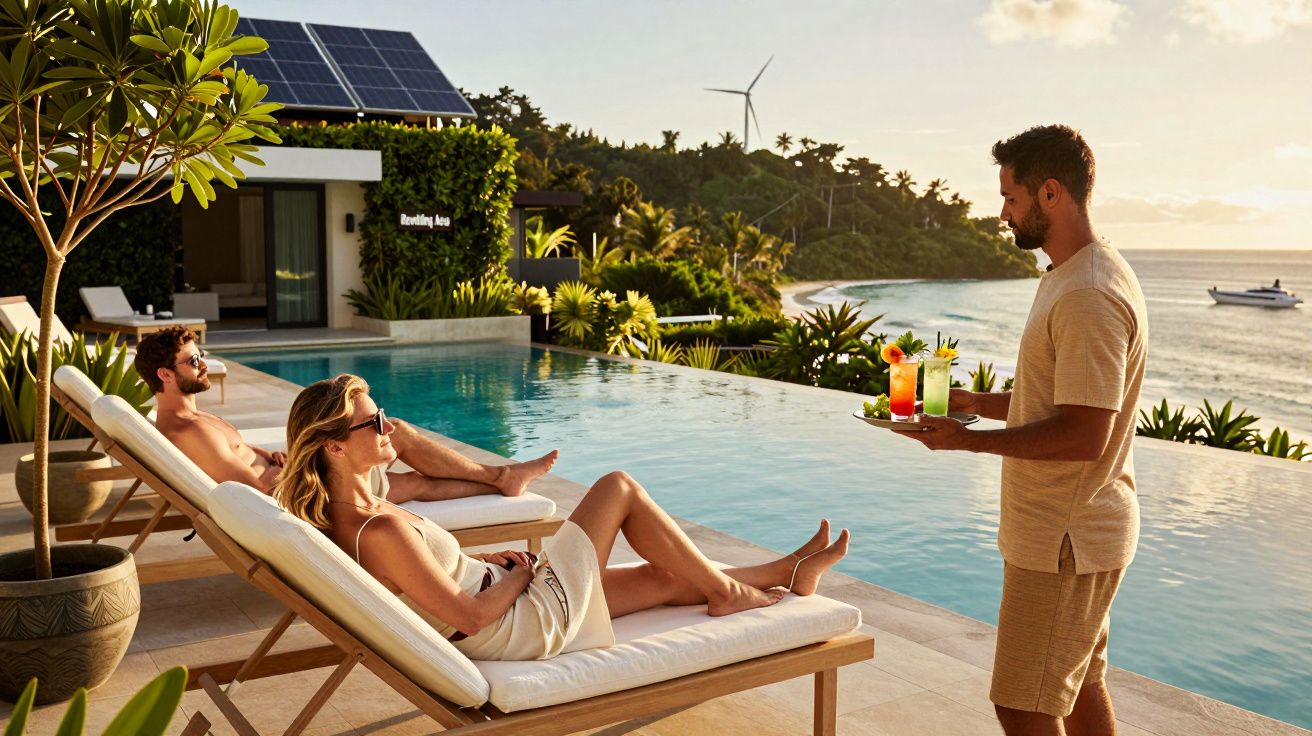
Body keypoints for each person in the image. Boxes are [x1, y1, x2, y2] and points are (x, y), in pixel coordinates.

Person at [274, 374, 850, 660]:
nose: (388, 428)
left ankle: (785, 573)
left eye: (384, 416)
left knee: (664, 578)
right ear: (334, 447)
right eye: (373, 423)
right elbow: (471, 618)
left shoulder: (364, 507)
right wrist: (524, 575)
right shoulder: (380, 528)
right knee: (617, 488)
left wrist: (482, 560)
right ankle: (730, 591)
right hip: (518, 621)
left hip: (504, 592)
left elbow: (420, 577)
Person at [900, 125, 1147, 736]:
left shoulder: (1087, 293)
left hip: (1065, 539)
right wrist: (972, 402)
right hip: (1071, 531)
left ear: (1052, 194)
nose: (1002, 212)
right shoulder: (1075, 274)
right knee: (1080, 684)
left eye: (1011, 198)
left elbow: (1084, 434)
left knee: (1025, 703)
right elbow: (1059, 401)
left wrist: (964, 439)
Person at [133, 326, 557, 501]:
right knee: (396, 435)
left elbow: (242, 459)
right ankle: (501, 478)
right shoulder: (188, 431)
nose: (203, 364)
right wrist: (297, 461)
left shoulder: (194, 420)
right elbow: (256, 491)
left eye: (200, 355)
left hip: (295, 473)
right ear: (165, 375)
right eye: (193, 361)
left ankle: (502, 482)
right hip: (304, 491)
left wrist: (272, 454)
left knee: (405, 476)